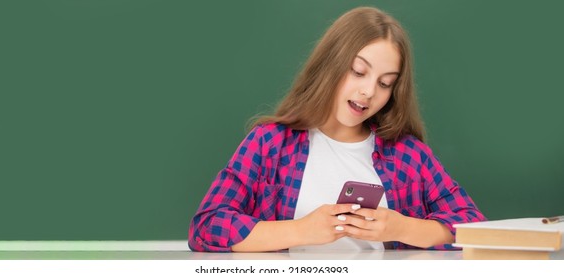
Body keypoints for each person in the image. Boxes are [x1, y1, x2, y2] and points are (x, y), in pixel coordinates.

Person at [188, 6, 486, 252]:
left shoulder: (408, 155)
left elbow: (475, 228)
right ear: (331, 64)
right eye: (358, 71)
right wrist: (301, 230)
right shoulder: (270, 143)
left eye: (385, 83)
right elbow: (206, 228)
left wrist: (402, 227)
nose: (369, 91)